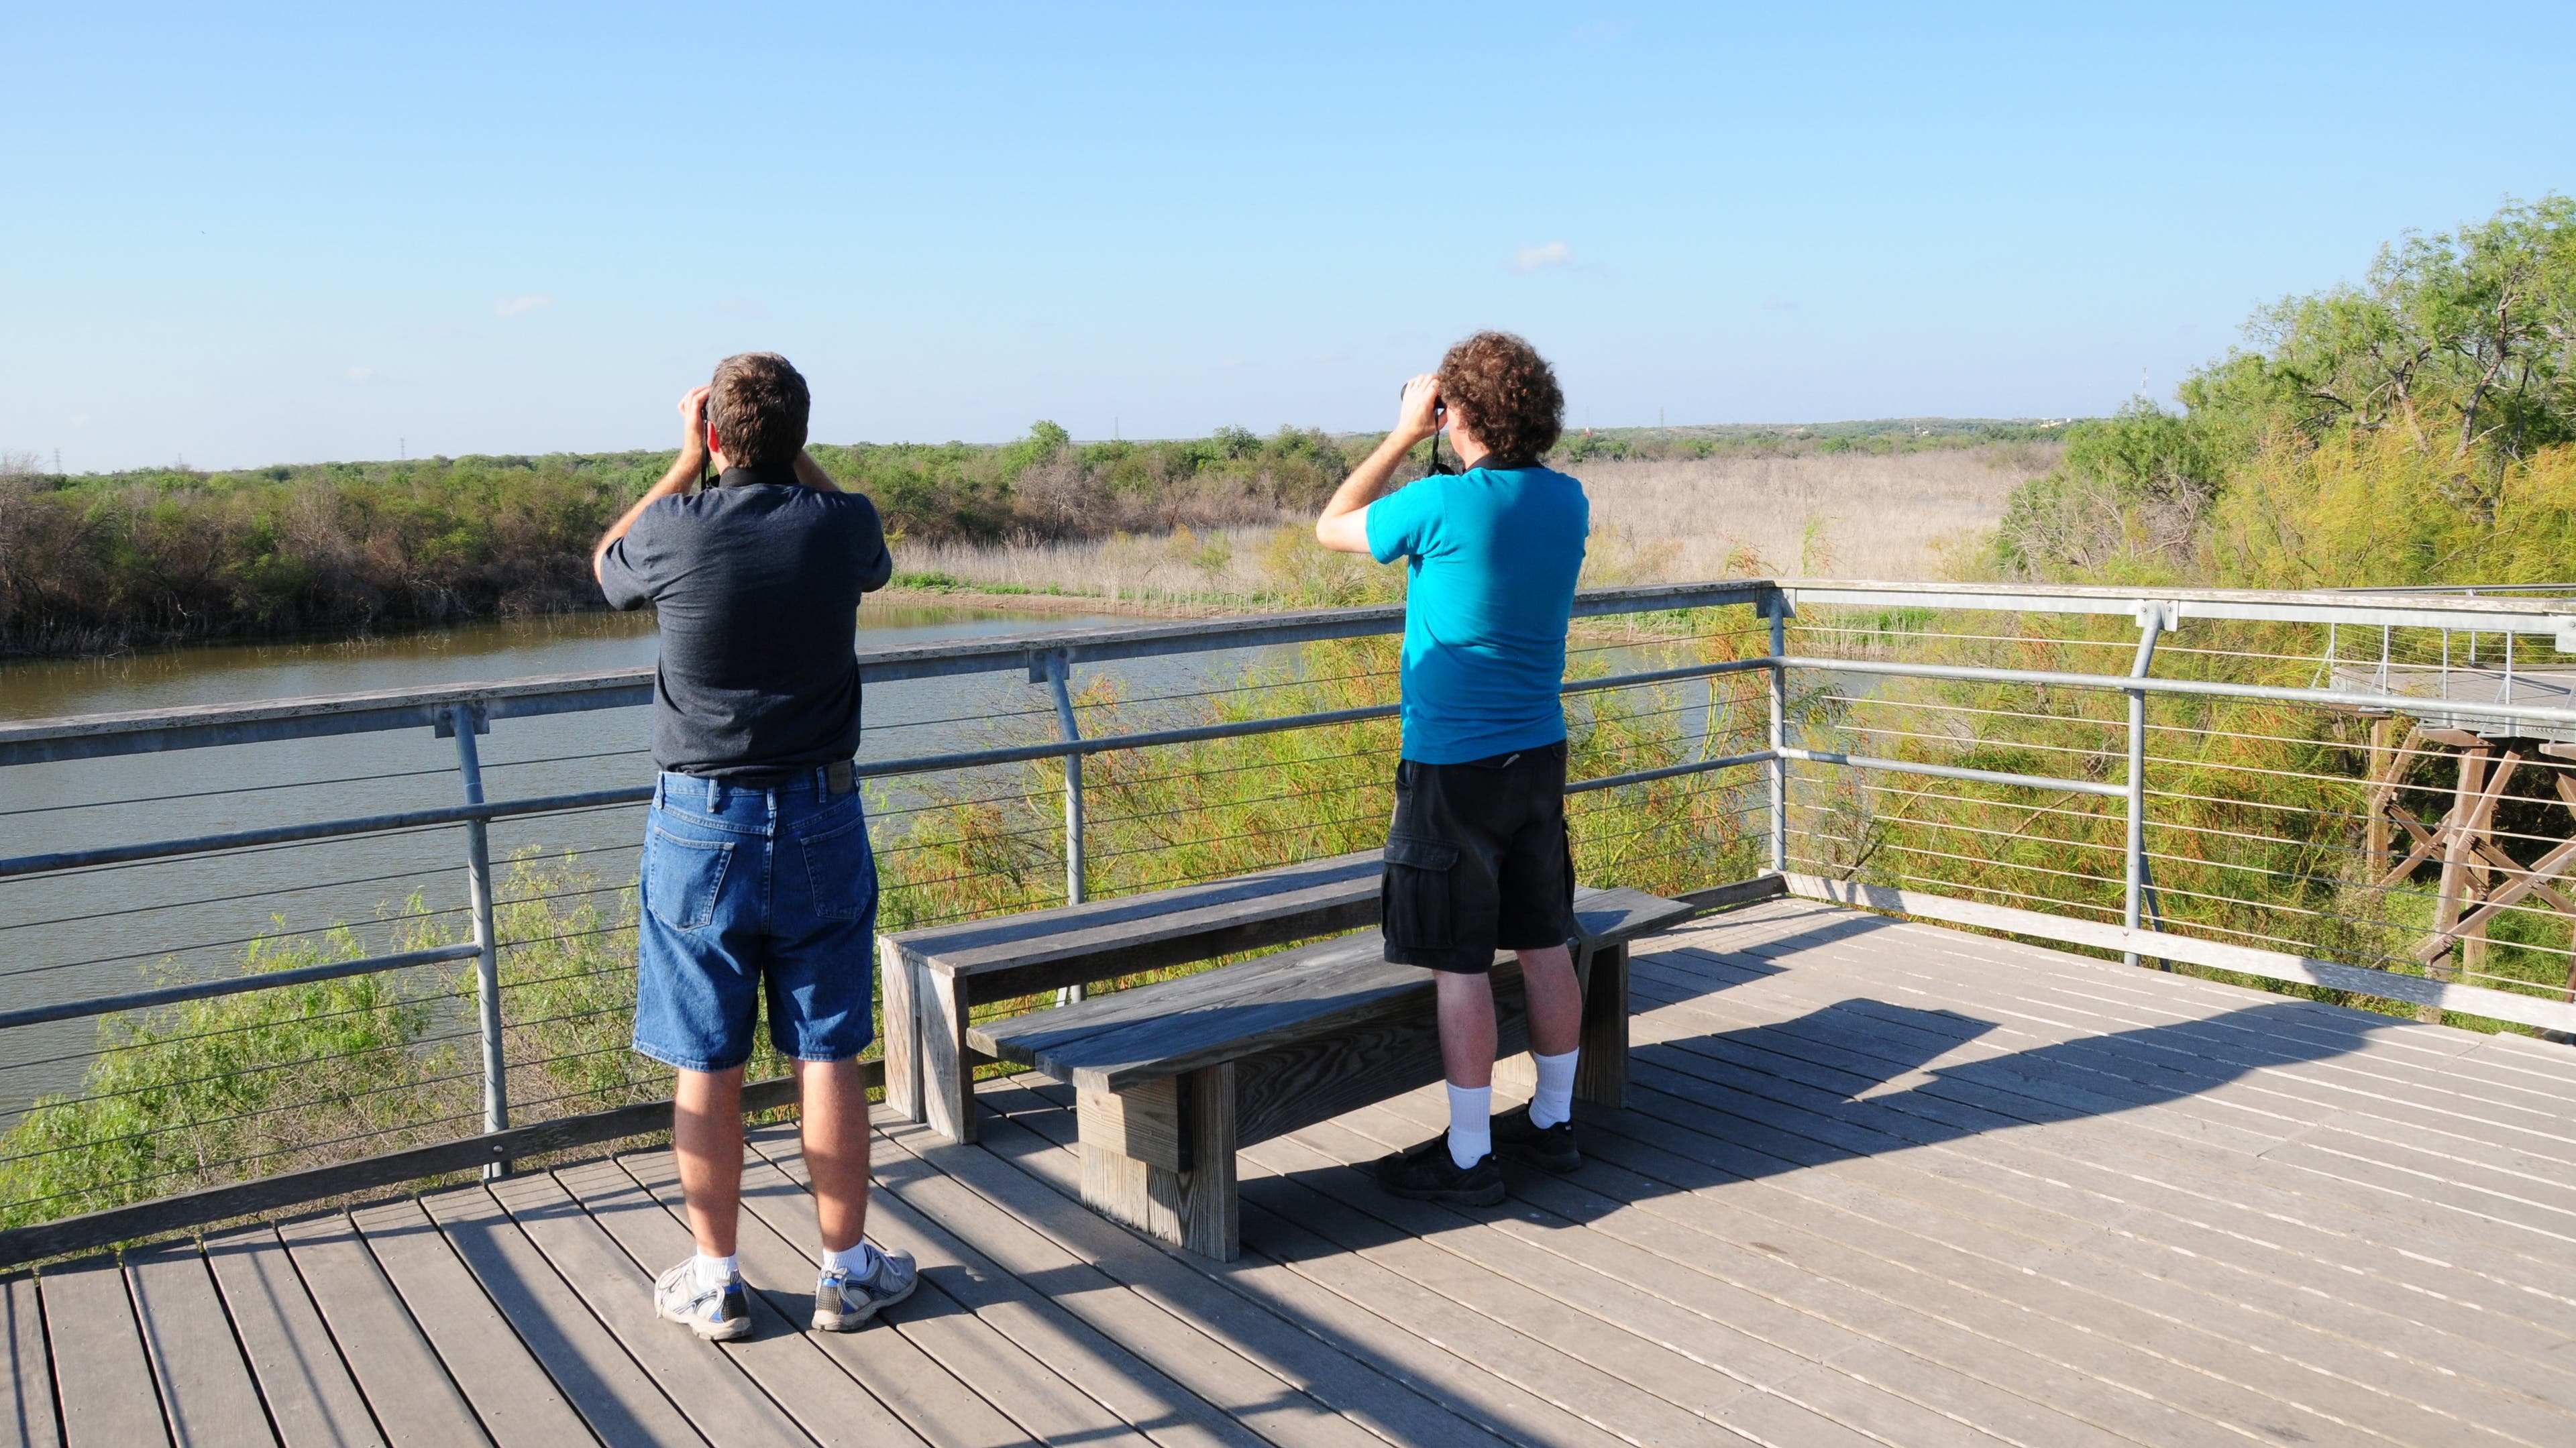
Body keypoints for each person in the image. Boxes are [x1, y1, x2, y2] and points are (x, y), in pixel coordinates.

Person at [592, 351, 916, 1341]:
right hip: (822, 813)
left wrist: (685, 460)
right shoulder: (839, 527)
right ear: (800, 438)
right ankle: (847, 1272)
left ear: (717, 437)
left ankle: (719, 1278)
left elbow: (605, 568)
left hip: (699, 824)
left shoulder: (671, 531)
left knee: (707, 1058)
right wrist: (793, 460)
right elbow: (872, 545)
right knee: (830, 1051)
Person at [1313, 330, 1591, 1206]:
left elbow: (1330, 528)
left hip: (1452, 769)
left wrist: (1400, 434)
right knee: (1546, 945)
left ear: (1455, 412)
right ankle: (1554, 1124)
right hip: (1535, 756)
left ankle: (1470, 1156)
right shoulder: (1567, 499)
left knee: (1460, 965)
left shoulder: (1438, 506)